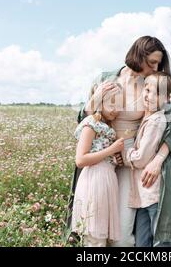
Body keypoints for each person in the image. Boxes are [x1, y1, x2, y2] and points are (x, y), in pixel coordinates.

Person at [65, 35, 171, 247]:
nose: (156, 67)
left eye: (158, 63)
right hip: (99, 162)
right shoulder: (104, 79)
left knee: (121, 236)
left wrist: (156, 162)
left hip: (129, 163)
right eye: (152, 62)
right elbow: (84, 121)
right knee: (95, 229)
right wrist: (94, 99)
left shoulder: (152, 86)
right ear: (139, 55)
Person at [123, 72, 171, 247]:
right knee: (143, 241)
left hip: (152, 193)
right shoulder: (147, 117)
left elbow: (140, 159)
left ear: (167, 99)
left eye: (157, 93)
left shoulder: (155, 121)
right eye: (147, 90)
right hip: (144, 193)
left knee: (160, 241)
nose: (150, 96)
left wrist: (127, 153)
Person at [71, 88, 125, 247]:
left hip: (107, 180)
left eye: (120, 105)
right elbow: (80, 160)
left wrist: (115, 159)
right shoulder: (90, 125)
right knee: (94, 237)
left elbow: (102, 154)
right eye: (112, 104)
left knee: (103, 237)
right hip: (94, 181)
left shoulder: (108, 128)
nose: (116, 109)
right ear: (100, 102)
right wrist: (111, 150)